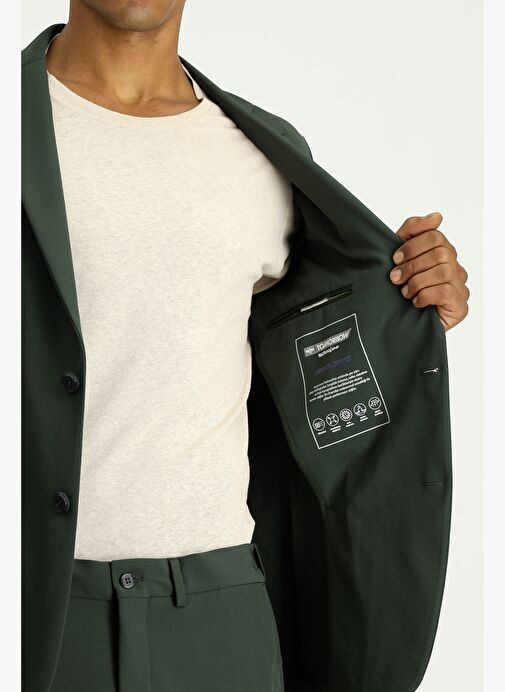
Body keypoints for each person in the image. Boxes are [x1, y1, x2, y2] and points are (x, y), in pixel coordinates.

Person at [22, 2, 469, 691]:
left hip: (223, 613)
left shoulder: (263, 154)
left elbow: (319, 336)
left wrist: (413, 295)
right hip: (35, 608)